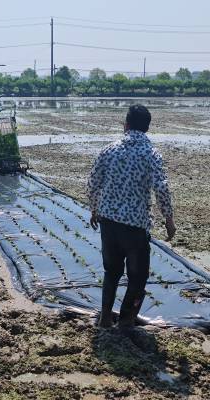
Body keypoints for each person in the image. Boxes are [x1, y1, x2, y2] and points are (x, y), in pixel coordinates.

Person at [87, 104, 176, 329]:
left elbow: (93, 183)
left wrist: (94, 209)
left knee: (112, 271)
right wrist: (169, 219)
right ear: (147, 128)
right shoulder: (151, 153)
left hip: (108, 222)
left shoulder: (109, 150)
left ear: (125, 125)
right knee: (137, 278)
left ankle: (105, 317)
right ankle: (126, 322)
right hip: (135, 227)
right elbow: (162, 188)